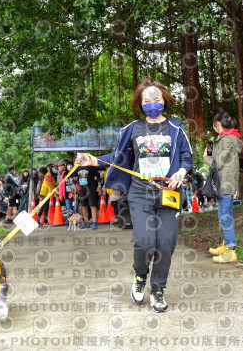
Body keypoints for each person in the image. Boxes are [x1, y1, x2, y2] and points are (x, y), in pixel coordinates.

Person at [75, 77, 192, 313]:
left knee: (166, 244)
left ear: (164, 100)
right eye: (146, 100)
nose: (152, 103)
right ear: (140, 103)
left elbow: (186, 157)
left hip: (169, 193)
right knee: (145, 242)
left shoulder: (177, 128)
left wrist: (181, 171)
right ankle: (140, 277)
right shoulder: (132, 129)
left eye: (156, 99)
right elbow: (117, 158)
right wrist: (94, 160)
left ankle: (158, 290)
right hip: (140, 193)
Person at [204, 112, 243, 263]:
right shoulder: (228, 138)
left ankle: (231, 251)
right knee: (224, 214)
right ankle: (226, 245)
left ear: (218, 123)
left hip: (225, 182)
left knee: (224, 216)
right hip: (225, 182)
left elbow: (218, 163)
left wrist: (206, 158)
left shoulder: (226, 140)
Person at [77, 163, 102, 229]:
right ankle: (86, 223)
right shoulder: (77, 167)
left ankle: (94, 223)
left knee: (92, 205)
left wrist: (99, 186)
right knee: (84, 206)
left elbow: (97, 175)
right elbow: (73, 178)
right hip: (82, 189)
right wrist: (74, 184)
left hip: (91, 188)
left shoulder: (90, 166)